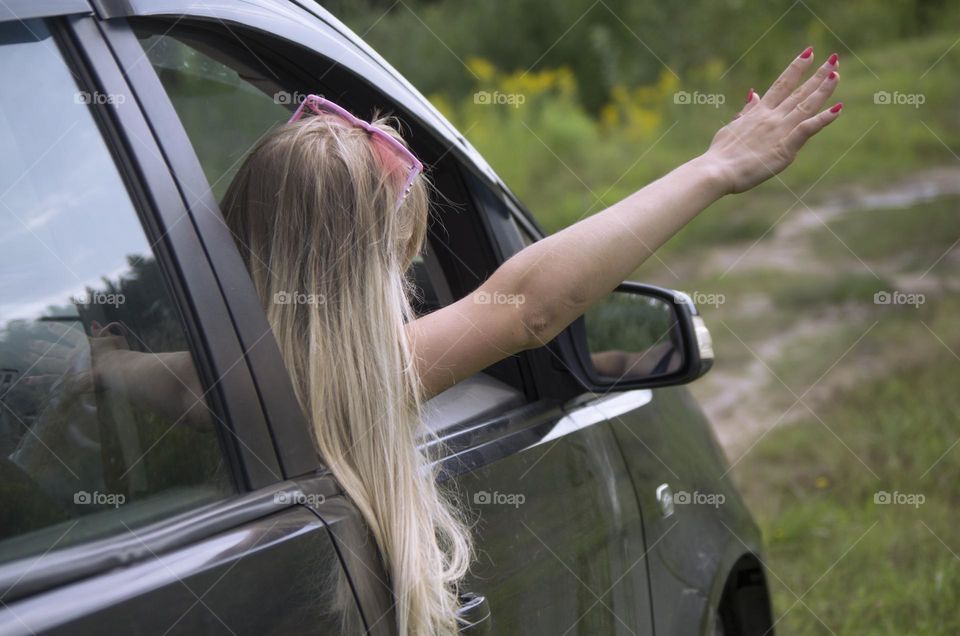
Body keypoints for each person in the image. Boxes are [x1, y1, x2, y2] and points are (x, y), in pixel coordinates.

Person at [86, 46, 842, 634]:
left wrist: (98, 364)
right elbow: (532, 306)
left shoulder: (218, 376)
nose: (411, 292)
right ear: (377, 272)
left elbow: (141, 374)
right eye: (403, 264)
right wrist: (714, 169)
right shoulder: (367, 374)